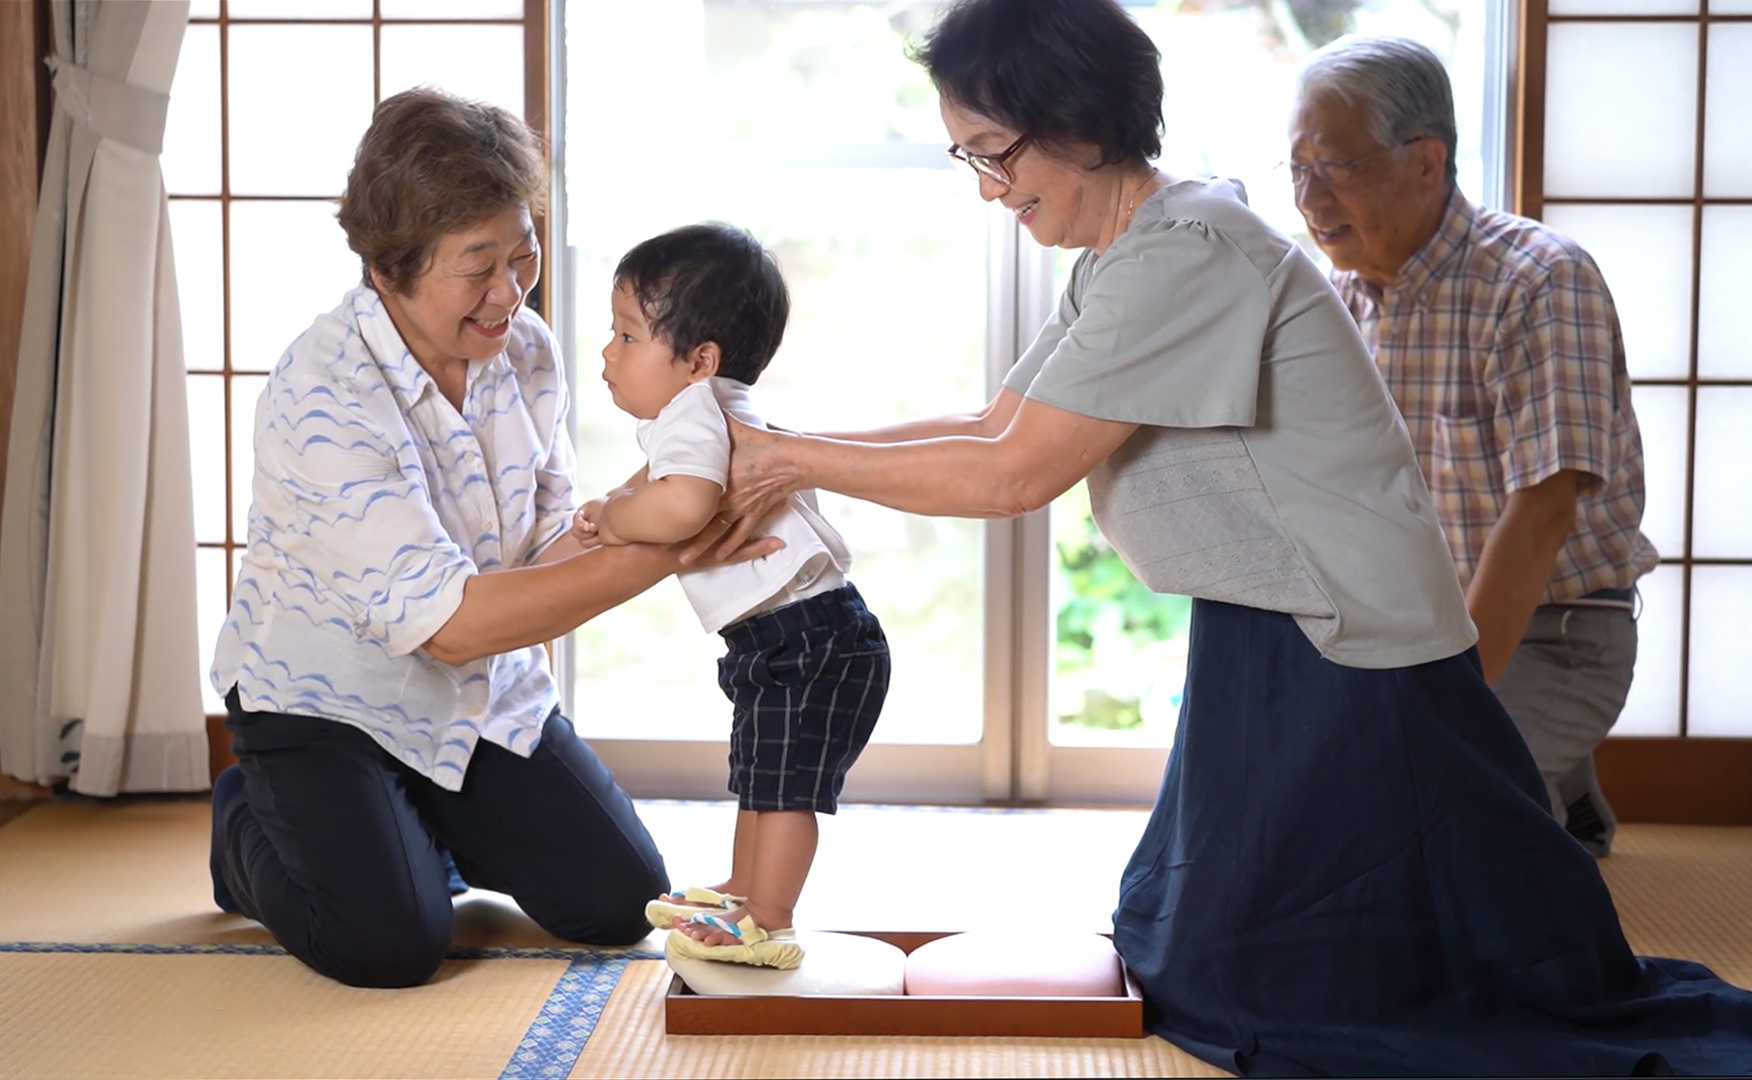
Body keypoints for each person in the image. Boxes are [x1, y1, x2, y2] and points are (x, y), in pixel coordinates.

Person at [704, 0, 1752, 1072]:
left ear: (1079, 118)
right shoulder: (1129, 253)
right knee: (1186, 950)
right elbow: (993, 421)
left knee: (1280, 994)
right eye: (966, 155)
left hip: (1350, 647)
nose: (987, 185)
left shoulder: (1190, 252)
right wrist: (783, 438)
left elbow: (1014, 474)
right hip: (1267, 627)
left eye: (994, 152)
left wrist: (786, 461)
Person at [205, 88, 778, 989]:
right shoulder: (323, 392)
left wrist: (658, 508)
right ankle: (247, 824)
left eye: (523, 255)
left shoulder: (527, 348)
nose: (511, 292)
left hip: (478, 695)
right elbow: (451, 625)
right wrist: (673, 543)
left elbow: (551, 542)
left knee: (620, 904)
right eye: (479, 266)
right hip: (328, 704)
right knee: (386, 947)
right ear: (391, 266)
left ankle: (407, 833)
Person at [1290, 36, 1658, 858]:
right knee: (1302, 812)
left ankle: (1528, 798)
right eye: (1298, 168)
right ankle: (1554, 788)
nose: (1311, 197)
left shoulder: (1539, 280)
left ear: (1427, 161)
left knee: (1428, 837)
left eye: (1336, 165)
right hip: (1411, 634)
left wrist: (1449, 708)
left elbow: (1543, 513)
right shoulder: (1335, 301)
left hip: (1558, 631)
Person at [575, 223, 890, 970]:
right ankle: (743, 889)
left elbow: (682, 505)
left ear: (699, 361)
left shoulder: (692, 415)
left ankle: (767, 918)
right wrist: (619, 496)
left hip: (808, 633)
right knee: (759, 770)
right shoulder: (716, 407)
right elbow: (671, 481)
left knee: (783, 788)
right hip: (791, 632)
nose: (606, 354)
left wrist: (615, 519)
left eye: (625, 335)